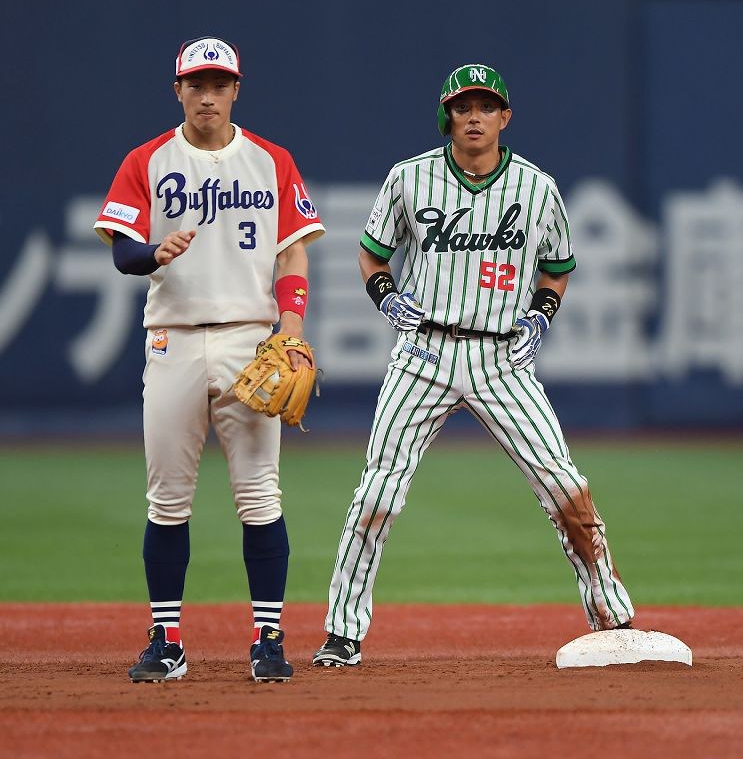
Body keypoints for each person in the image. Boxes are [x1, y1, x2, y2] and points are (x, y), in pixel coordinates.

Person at [313, 63, 633, 668]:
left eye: (487, 106)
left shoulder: (538, 188)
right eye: (464, 108)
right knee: (378, 492)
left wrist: (541, 314)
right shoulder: (408, 180)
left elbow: (558, 265)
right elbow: (371, 255)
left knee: (565, 486)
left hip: (501, 355)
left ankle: (612, 616)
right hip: (423, 352)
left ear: (505, 117)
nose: (476, 117)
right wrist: (386, 298)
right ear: (448, 118)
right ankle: (342, 630)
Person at [94, 36, 324, 683]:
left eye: (218, 84)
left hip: (251, 338)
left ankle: (268, 638)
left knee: (258, 495)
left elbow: (293, 252)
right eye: (196, 84)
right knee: (168, 499)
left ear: (235, 91)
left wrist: (292, 325)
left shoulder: (270, 161)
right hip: (172, 339)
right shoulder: (146, 161)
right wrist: (152, 254)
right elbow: (121, 252)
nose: (207, 95)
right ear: (178, 91)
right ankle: (166, 639)